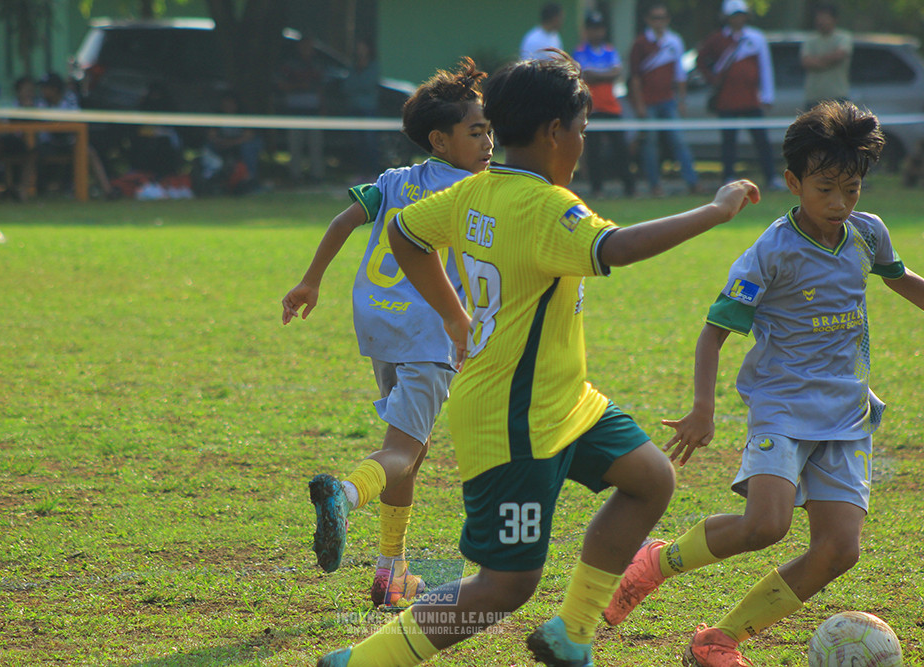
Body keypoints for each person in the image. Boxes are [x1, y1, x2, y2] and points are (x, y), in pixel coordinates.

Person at [317, 53, 759, 667]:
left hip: (566, 400)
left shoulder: (476, 189)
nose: (583, 140)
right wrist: (716, 211)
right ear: (555, 131)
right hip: (513, 419)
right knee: (505, 585)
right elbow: (619, 247)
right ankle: (358, 662)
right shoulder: (548, 209)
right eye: (582, 126)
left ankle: (572, 633)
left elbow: (405, 235)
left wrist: (452, 313)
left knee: (650, 479)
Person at [602, 101, 924, 666]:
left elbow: (904, 283)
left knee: (838, 550)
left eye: (852, 190)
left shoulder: (867, 235)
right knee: (765, 525)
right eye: (826, 189)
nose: (840, 204)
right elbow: (713, 335)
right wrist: (703, 409)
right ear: (793, 182)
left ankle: (718, 640)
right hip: (782, 406)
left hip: (847, 412)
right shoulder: (768, 254)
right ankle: (657, 560)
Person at [281, 59, 493, 609]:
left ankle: (390, 573)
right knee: (404, 447)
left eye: (489, 129)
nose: (489, 141)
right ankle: (344, 495)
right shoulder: (475, 191)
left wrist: (310, 281)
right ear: (440, 140)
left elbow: (345, 219)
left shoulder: (396, 180)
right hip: (430, 330)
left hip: (377, 324)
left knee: (408, 450)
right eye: (477, 131)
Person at [697, 0, 782, 189]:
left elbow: (765, 67)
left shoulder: (756, 37)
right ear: (727, 17)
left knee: (761, 140)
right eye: (734, 15)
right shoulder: (717, 39)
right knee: (729, 141)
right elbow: (700, 60)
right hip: (726, 101)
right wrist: (712, 79)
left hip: (751, 99)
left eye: (741, 14)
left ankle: (771, 177)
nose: (738, 19)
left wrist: (767, 96)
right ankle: (728, 177)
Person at [629, 2, 702, 197]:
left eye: (662, 18)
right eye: (655, 18)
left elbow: (679, 74)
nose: (659, 22)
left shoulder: (674, 41)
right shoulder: (641, 43)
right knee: (650, 145)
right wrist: (639, 104)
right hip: (649, 101)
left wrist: (681, 100)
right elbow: (635, 77)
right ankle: (655, 185)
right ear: (648, 20)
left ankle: (693, 183)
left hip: (668, 100)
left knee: (678, 141)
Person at [573, 10, 635, 198]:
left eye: (599, 28)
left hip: (611, 107)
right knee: (594, 152)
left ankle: (629, 187)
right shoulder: (580, 51)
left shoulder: (609, 50)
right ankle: (597, 188)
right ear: (587, 31)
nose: (597, 33)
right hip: (591, 109)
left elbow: (617, 72)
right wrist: (605, 73)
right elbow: (584, 74)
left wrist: (597, 74)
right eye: (593, 29)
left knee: (620, 149)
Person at [36, 72, 116, 198]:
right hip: (48, 143)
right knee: (31, 154)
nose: (42, 91)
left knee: (88, 151)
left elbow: (75, 121)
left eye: (45, 88)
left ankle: (108, 191)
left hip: (68, 142)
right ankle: (26, 191)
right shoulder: (40, 102)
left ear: (54, 89)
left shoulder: (69, 98)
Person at [276, 34, 326, 182]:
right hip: (295, 112)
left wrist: (323, 107)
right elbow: (281, 85)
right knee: (295, 146)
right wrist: (299, 86)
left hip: (313, 112)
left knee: (316, 147)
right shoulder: (290, 64)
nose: (307, 49)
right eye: (305, 45)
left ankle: (317, 177)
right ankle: (295, 176)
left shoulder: (317, 64)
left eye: (310, 46)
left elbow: (321, 88)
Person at [198, 90, 263, 195]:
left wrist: (230, 143)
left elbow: (249, 136)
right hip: (222, 145)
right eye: (225, 104)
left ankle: (250, 178)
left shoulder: (243, 115)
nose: (228, 106)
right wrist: (222, 142)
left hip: (239, 145)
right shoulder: (217, 115)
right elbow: (211, 136)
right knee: (208, 147)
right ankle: (209, 179)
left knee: (250, 146)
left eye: (230, 103)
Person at [801, 3, 852, 108]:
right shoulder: (810, 40)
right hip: (814, 98)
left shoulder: (843, 37)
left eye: (825, 18)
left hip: (838, 97)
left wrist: (817, 61)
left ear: (834, 19)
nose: (821, 21)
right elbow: (806, 61)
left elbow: (840, 55)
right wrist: (828, 61)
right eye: (819, 18)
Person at [342, 39, 381, 180]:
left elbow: (368, 85)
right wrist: (358, 84)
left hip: (369, 109)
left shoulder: (373, 66)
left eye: (362, 48)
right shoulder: (352, 67)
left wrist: (358, 84)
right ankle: (361, 173)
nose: (360, 51)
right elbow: (347, 86)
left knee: (370, 142)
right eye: (358, 48)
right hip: (354, 108)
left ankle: (373, 173)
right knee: (357, 142)